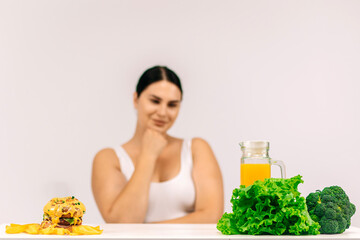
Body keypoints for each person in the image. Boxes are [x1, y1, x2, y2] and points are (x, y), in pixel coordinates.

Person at [91, 66, 224, 223]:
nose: (162, 112)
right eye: (155, 101)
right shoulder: (108, 159)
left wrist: (145, 232)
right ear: (136, 99)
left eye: (172, 105)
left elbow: (212, 217)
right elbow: (122, 222)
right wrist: (148, 156)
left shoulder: (196, 149)